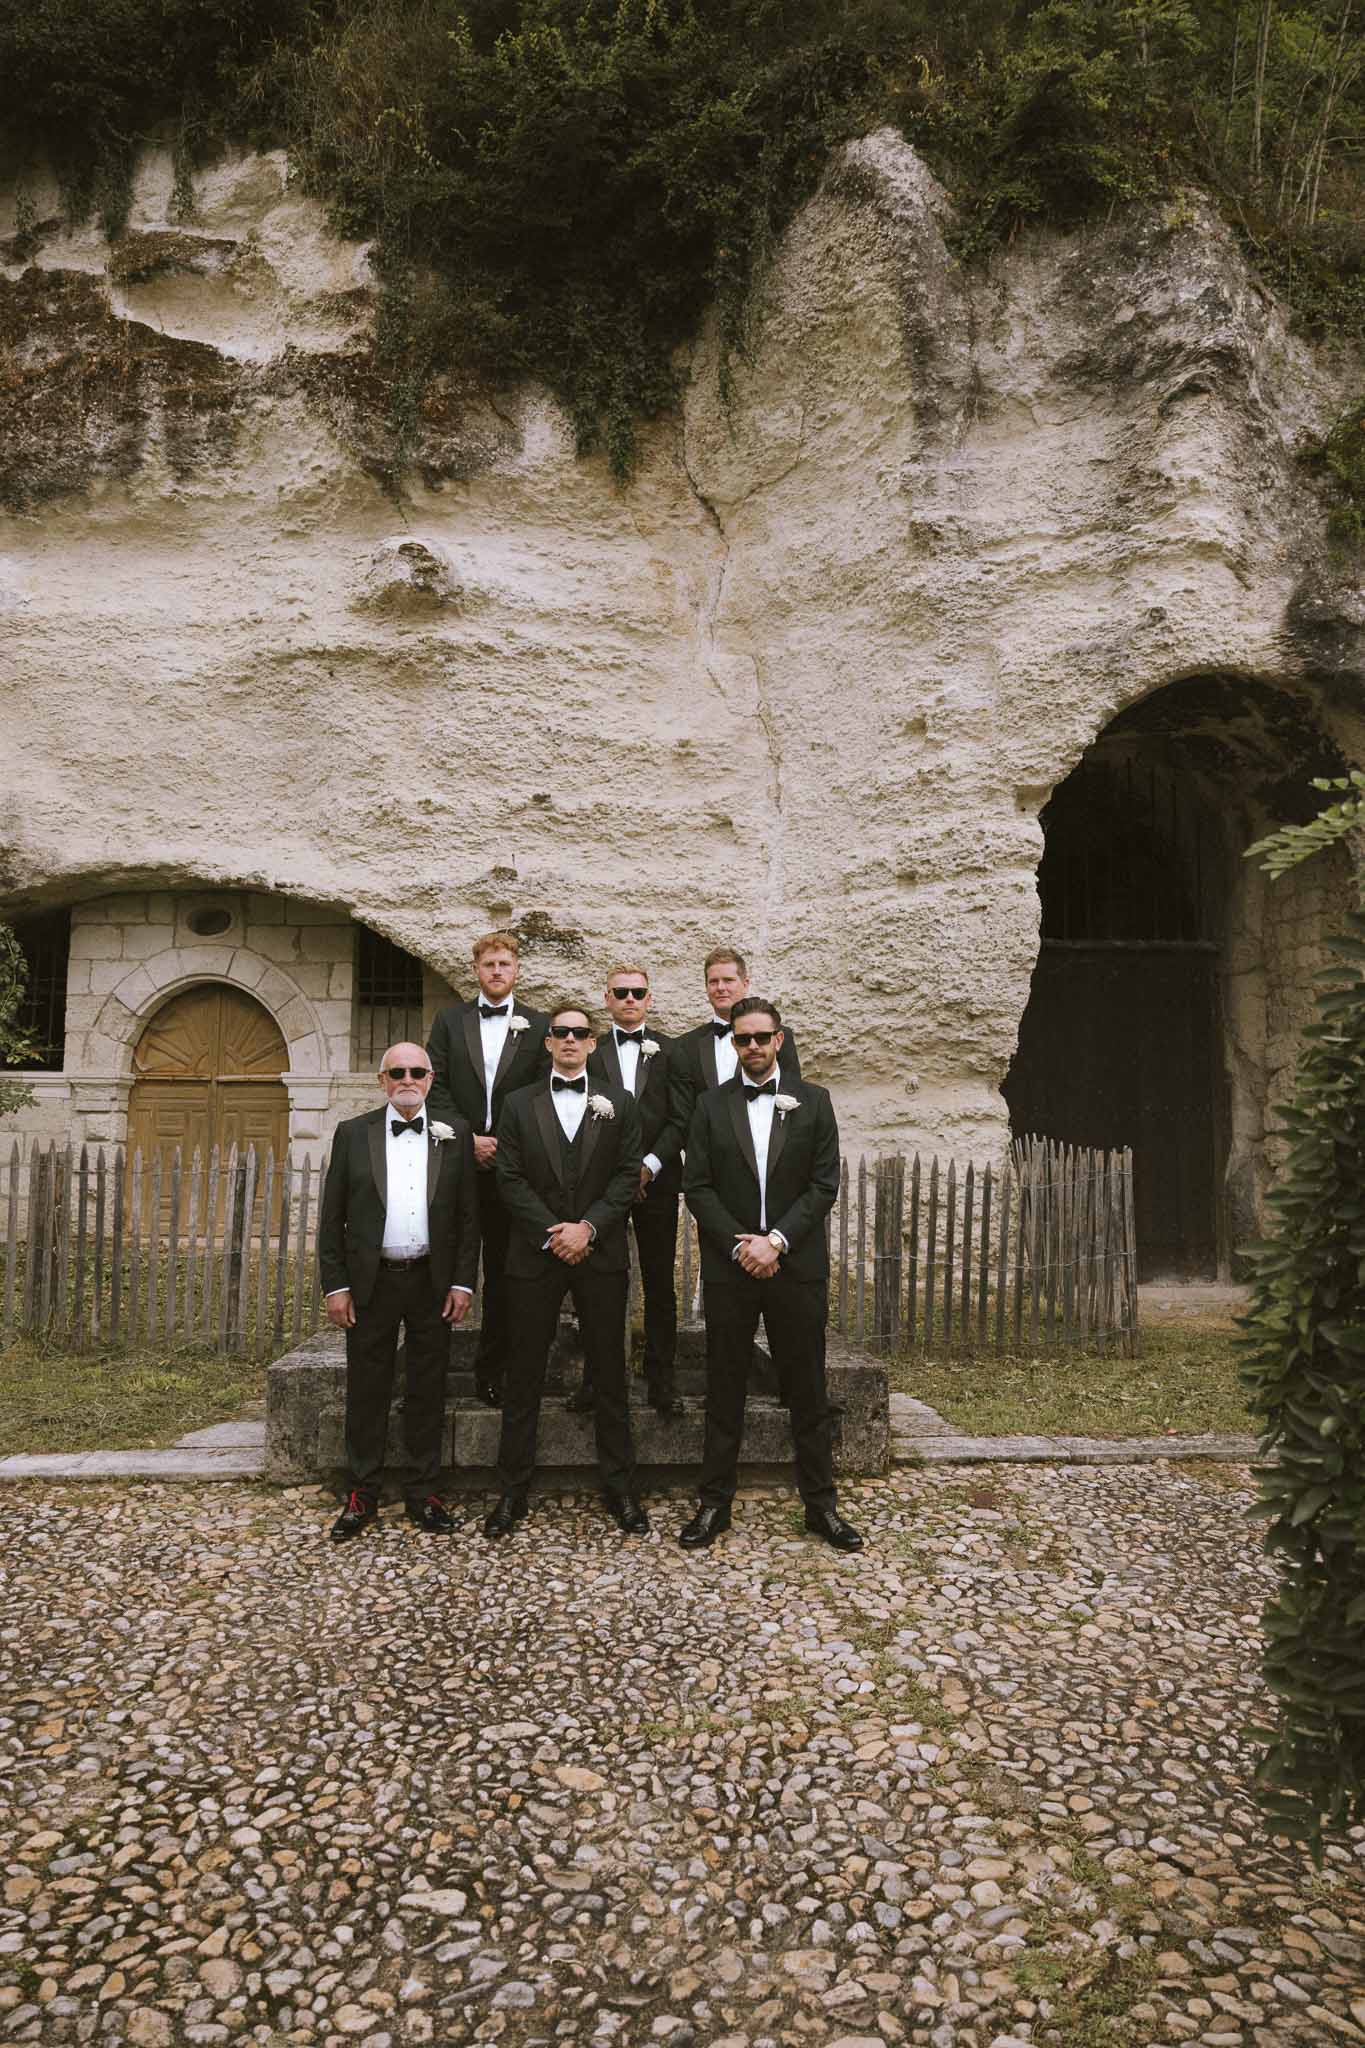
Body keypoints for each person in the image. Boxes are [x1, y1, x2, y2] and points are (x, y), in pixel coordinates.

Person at [679, 998, 862, 1553]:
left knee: (807, 1386)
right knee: (725, 1385)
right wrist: (743, 1245)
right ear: (732, 1043)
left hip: (795, 1263)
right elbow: (698, 1186)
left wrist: (777, 1240)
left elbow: (823, 1184)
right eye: (743, 1039)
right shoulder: (711, 1105)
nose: (753, 1047)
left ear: (779, 1040)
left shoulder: (815, 1102)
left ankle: (821, 1507)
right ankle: (714, 1505)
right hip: (733, 1264)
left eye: (762, 1037)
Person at [484, 1004, 648, 1539]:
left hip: (599, 1253)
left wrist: (590, 1229)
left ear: (594, 1043)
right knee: (524, 1371)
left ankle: (621, 1490)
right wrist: (554, 1231)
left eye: (581, 1032)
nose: (571, 1040)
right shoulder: (517, 1104)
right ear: (548, 1043)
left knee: (610, 1372)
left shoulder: (620, 1103)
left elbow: (627, 1177)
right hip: (535, 1254)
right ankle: (512, 1492)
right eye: (561, 1033)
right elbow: (508, 1177)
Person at [318, 1041, 479, 1542]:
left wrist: (461, 1281)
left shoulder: (456, 1136)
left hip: (432, 1280)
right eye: (397, 1072)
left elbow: (468, 1218)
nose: (407, 1079)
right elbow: (332, 1217)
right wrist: (336, 1285)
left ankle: (423, 1491)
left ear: (431, 1079)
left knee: (427, 1388)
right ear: (382, 1081)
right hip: (373, 1282)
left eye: (417, 1072)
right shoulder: (353, 1133)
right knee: (368, 1388)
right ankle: (361, 1492)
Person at [426, 931, 550, 1408]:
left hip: (510, 1168)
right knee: (446, 1265)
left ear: (516, 970)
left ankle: (492, 1371)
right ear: (475, 970)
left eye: (505, 964)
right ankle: (430, 1369)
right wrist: (466, 1140)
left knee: (504, 1273)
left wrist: (506, 1146)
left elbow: (542, 1092)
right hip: (458, 1163)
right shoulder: (450, 1022)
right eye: (488, 964)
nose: (497, 971)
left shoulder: (538, 1027)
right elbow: (434, 1085)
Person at [568, 963, 686, 1418]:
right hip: (601, 1188)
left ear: (649, 999)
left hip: (657, 1182)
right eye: (621, 992)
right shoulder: (589, 1054)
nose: (630, 999)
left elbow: (681, 1118)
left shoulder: (672, 1053)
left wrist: (649, 1167)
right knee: (600, 1285)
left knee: (660, 1286)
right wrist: (618, 1174)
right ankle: (595, 1380)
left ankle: (662, 1382)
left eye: (638, 992)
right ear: (607, 998)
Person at [669, 945, 803, 1142]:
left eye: (728, 980)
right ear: (706, 987)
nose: (720, 987)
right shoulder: (685, 1046)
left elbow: (791, 1094)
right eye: (713, 982)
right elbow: (683, 1116)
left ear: (745, 983)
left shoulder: (778, 1036)